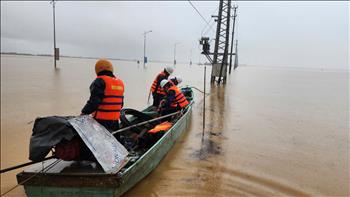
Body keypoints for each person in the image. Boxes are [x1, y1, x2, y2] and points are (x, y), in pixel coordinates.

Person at [81, 59, 124, 131]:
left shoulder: (99, 81)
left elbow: (93, 103)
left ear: (97, 70)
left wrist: (83, 113)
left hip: (101, 121)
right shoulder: (120, 83)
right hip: (115, 121)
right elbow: (121, 104)